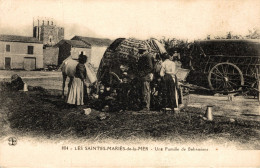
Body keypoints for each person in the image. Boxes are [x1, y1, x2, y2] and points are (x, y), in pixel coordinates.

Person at [137, 46, 155, 111]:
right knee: (145, 91)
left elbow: (150, 67)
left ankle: (146, 107)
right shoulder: (147, 56)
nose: (138, 51)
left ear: (142, 50)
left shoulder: (147, 56)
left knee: (145, 91)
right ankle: (145, 106)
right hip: (145, 76)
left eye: (139, 50)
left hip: (145, 76)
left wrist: (142, 73)